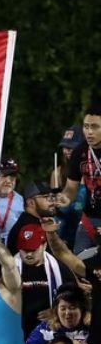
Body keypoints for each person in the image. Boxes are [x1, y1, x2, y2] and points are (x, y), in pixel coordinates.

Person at [58, 104, 101, 254]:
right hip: (90, 219)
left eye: (95, 127)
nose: (89, 132)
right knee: (80, 264)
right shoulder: (79, 152)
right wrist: (63, 198)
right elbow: (71, 189)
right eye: (86, 126)